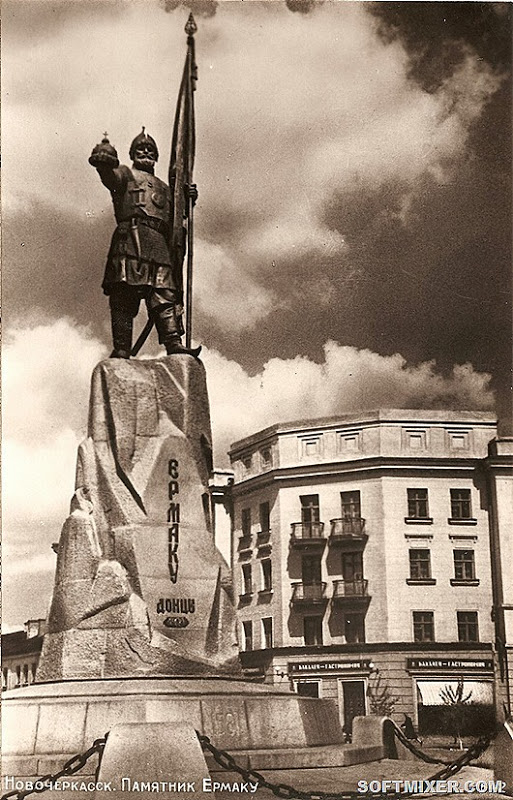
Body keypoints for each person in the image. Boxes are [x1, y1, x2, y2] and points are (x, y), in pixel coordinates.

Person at [89, 129, 200, 358]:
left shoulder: (166, 189)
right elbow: (110, 178)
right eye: (140, 149)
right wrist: (104, 164)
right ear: (132, 153)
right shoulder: (126, 174)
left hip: (159, 244)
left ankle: (173, 343)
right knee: (123, 294)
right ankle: (122, 348)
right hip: (131, 238)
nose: (146, 152)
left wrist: (188, 198)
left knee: (164, 295)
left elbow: (177, 217)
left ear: (156, 156)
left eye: (150, 150)